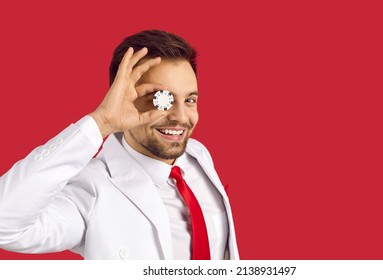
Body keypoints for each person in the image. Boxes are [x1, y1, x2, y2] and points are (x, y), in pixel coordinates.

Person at [0, 30, 239, 260]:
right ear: (124, 99)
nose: (180, 116)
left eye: (189, 100)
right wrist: (101, 122)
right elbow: (5, 226)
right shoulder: (92, 190)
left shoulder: (198, 156)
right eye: (160, 99)